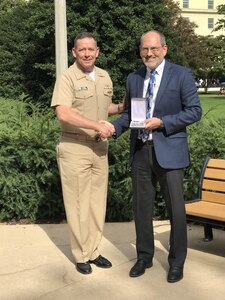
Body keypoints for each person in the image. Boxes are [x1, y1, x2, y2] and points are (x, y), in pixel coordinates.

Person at [112, 30, 202, 283]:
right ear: (140, 51)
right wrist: (113, 128)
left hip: (170, 152)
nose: (148, 54)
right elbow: (130, 114)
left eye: (153, 49)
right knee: (141, 209)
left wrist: (163, 122)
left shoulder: (181, 75)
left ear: (164, 49)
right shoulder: (134, 78)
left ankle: (176, 262)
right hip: (141, 151)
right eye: (144, 49)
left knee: (176, 210)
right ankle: (144, 257)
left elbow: (195, 111)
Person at [51, 32, 123, 275]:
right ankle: (81, 255)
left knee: (96, 204)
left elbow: (104, 108)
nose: (87, 53)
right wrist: (96, 126)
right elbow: (63, 113)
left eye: (91, 49)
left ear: (98, 51)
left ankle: (93, 251)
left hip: (99, 148)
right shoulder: (68, 77)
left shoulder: (104, 77)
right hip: (75, 147)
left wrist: (122, 107)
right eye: (82, 49)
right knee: (78, 204)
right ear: (74, 52)